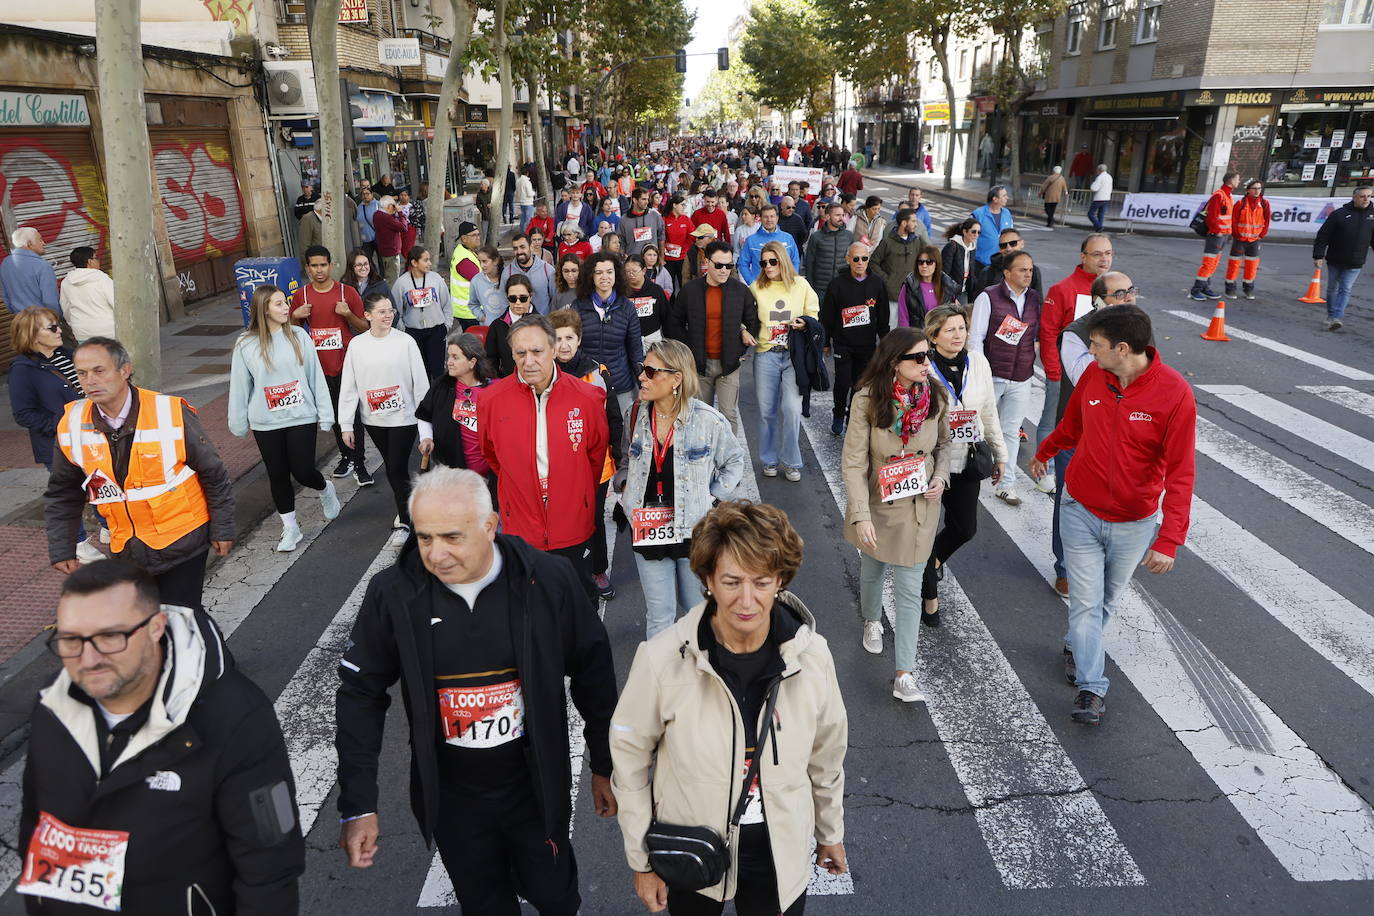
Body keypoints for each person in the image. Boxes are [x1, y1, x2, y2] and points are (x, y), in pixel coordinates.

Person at [335, 466, 618, 914]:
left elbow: (594, 672)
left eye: (452, 537)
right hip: (455, 800)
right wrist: (358, 802)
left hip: (535, 791)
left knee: (555, 897)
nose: (436, 554)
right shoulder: (393, 593)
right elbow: (360, 692)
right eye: (424, 538)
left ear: (490, 526)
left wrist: (603, 763)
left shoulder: (548, 579)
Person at [610, 500, 848, 916]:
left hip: (778, 848)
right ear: (707, 579)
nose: (747, 600)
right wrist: (642, 860)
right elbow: (629, 758)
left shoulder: (813, 658)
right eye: (732, 581)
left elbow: (826, 755)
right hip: (692, 847)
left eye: (761, 582)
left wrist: (830, 831)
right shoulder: (662, 659)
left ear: (780, 580)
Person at [23, 560, 303, 913]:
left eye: (110, 636)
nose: (88, 659)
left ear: (157, 626)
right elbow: (36, 822)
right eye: (70, 639)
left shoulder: (236, 718)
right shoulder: (53, 704)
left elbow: (269, 870)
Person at [1030, 305, 1196, 726]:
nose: (1089, 351)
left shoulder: (1174, 394)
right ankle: (1091, 688)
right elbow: (1072, 426)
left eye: (1096, 345)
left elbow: (1181, 472)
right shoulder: (1093, 376)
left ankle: (1076, 644)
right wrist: (1045, 452)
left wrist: (1169, 537)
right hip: (1079, 509)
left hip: (1133, 523)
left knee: (1104, 601)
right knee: (1085, 602)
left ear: (1123, 349)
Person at [45, 338, 235, 608]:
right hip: (126, 549)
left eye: (100, 371)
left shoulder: (169, 412)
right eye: (82, 373)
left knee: (181, 621)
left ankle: (207, 650)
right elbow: (63, 492)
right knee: (146, 626)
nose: (90, 381)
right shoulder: (72, 424)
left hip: (182, 541)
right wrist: (62, 547)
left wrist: (223, 529)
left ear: (125, 370)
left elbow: (214, 474)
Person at [844, 326, 950, 700]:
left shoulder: (936, 396)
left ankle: (904, 673)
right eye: (918, 358)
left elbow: (944, 445)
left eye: (928, 357)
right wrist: (861, 514)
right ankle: (872, 620)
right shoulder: (866, 401)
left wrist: (940, 476)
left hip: (921, 505)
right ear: (894, 363)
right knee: (872, 569)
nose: (926, 364)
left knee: (908, 588)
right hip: (878, 499)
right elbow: (854, 463)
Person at [615, 340, 744, 638]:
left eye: (650, 371)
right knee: (660, 616)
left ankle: (699, 673)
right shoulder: (634, 415)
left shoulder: (708, 421)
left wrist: (713, 498)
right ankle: (662, 679)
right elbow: (625, 458)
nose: (641, 377)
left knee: (697, 609)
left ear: (677, 378)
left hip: (693, 529)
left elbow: (734, 461)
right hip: (648, 530)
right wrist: (624, 486)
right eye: (641, 369)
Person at [478, 314, 610, 602]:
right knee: (532, 608)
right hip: (522, 526)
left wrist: (577, 493)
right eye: (520, 353)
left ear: (553, 350)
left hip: (572, 523)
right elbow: (491, 454)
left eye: (537, 351)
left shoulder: (588, 398)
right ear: (511, 354)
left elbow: (595, 455)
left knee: (577, 604)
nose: (529, 361)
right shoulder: (490, 400)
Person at [229, 285, 340, 552]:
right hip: (265, 422)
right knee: (277, 474)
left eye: (284, 302)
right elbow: (240, 386)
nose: (285, 307)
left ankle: (325, 489)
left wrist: (326, 414)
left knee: (302, 471)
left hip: (301, 415)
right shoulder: (246, 343)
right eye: (278, 304)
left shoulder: (299, 336)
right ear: (263, 308)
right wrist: (238, 422)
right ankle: (290, 528)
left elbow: (315, 376)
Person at [918, 306, 1006, 626]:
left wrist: (1001, 454)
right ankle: (930, 598)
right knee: (924, 532)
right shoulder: (922, 366)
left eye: (961, 328)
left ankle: (935, 561)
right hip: (929, 461)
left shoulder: (978, 362)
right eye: (950, 329)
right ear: (934, 335)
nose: (958, 335)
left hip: (967, 458)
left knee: (965, 528)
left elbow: (988, 412)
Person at [8, 308, 104, 563]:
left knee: (102, 485)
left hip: (93, 438)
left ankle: (110, 527)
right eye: (51, 327)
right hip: (59, 446)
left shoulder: (69, 355)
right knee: (72, 494)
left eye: (57, 325)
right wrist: (66, 425)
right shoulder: (23, 370)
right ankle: (78, 544)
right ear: (32, 335)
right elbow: (24, 414)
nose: (59, 330)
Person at [337, 293, 429, 530]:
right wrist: (346, 424)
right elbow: (349, 386)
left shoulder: (405, 341)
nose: (388, 315)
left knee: (395, 467)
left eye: (391, 310)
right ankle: (411, 504)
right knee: (392, 466)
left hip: (404, 417)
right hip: (374, 419)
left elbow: (421, 384)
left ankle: (405, 521)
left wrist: (426, 426)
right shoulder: (357, 345)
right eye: (382, 311)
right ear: (367, 315)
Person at [551, 308, 624, 601]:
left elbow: (614, 417)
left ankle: (597, 569)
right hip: (557, 464)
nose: (564, 344)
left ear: (579, 339)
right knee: (561, 518)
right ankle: (564, 571)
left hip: (595, 465)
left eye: (569, 337)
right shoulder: (543, 374)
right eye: (557, 339)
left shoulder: (597, 372)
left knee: (593, 518)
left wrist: (617, 455)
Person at [1039, 233, 1114, 508]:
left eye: (1108, 253)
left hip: (1102, 384)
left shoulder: (1115, 291)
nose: (1104, 258)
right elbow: (1048, 333)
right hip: (1065, 377)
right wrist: (1053, 371)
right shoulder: (1063, 289)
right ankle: (1045, 469)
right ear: (1083, 257)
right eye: (1097, 254)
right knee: (1054, 426)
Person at [290, 245, 372, 484]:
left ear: (331, 265)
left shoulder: (347, 293)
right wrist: (296, 317)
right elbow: (290, 332)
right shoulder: (302, 296)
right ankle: (346, 456)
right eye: (314, 266)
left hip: (346, 363)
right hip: (319, 367)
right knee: (334, 414)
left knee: (351, 414)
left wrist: (347, 315)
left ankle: (359, 462)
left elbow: (364, 328)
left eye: (323, 265)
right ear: (307, 268)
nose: (319, 270)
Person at [664, 240, 761, 435]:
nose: (724, 270)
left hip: (729, 365)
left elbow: (753, 323)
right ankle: (702, 461)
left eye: (729, 265)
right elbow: (673, 324)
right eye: (719, 265)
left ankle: (729, 461)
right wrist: (689, 351)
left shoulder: (740, 291)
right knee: (699, 416)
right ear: (707, 262)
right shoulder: (690, 291)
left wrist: (739, 347)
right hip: (699, 365)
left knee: (728, 415)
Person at [968, 249, 1040, 506]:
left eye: (1030, 269)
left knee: (1010, 429)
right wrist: (980, 372)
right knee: (979, 427)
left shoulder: (1034, 299)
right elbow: (976, 338)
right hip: (993, 374)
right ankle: (971, 474)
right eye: (1022, 269)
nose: (1028, 274)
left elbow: (1035, 336)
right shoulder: (988, 297)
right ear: (1007, 272)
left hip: (1021, 375)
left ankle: (1005, 484)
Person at [750, 240, 818, 481]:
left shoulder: (800, 285)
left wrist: (803, 323)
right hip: (766, 354)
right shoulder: (756, 286)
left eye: (772, 261)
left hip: (794, 356)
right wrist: (744, 331)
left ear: (783, 261)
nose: (767, 266)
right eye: (763, 262)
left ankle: (791, 462)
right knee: (767, 411)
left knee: (791, 409)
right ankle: (769, 459)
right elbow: (746, 315)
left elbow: (813, 314)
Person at [416, 331, 494, 506]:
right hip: (452, 475)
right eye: (448, 356)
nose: (449, 362)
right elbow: (424, 414)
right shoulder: (442, 386)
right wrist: (426, 437)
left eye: (455, 357)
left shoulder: (495, 389)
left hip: (490, 477)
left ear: (472, 362)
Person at [822, 243, 890, 436]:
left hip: (867, 345)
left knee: (860, 385)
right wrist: (826, 342)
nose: (860, 263)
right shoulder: (837, 284)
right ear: (848, 260)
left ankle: (852, 417)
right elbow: (827, 315)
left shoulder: (877, 284)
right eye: (856, 259)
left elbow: (883, 315)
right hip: (843, 343)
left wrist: (884, 341)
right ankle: (838, 414)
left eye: (864, 258)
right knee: (843, 382)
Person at [1313, 183, 1374, 330]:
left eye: (1369, 196)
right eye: (1362, 196)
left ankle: (1336, 317)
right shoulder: (1339, 214)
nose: (1366, 199)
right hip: (1335, 259)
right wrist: (1318, 255)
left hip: (1356, 262)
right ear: (1354, 197)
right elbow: (1323, 236)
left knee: (1345, 288)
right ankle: (1330, 314)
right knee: (1331, 289)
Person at [393, 244, 452, 379]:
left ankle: (439, 398)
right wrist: (404, 330)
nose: (429, 263)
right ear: (414, 262)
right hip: (413, 332)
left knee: (438, 371)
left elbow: (447, 304)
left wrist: (446, 325)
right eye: (425, 260)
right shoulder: (401, 283)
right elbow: (396, 310)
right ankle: (425, 400)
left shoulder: (435, 279)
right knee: (420, 372)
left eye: (429, 259)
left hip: (436, 330)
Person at [1187, 170, 1239, 301]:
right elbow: (1212, 216)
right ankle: (1196, 290)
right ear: (1231, 181)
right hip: (1216, 235)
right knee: (1208, 263)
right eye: (1237, 179)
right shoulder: (1219, 195)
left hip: (1223, 236)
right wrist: (1217, 230)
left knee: (1214, 263)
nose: (1239, 181)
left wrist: (1229, 232)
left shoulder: (1228, 196)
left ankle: (1204, 287)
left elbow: (1226, 217)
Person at [871, 207, 928, 322]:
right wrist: (887, 280)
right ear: (903, 223)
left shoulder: (917, 242)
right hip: (892, 295)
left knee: (909, 328)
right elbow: (873, 263)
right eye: (913, 221)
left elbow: (926, 262)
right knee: (891, 327)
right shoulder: (887, 242)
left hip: (913, 294)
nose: (916, 225)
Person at [1225, 179, 1271, 300]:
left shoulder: (1265, 204)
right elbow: (1234, 220)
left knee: (1252, 266)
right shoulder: (1240, 203)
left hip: (1254, 241)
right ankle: (1230, 289)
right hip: (1239, 240)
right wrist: (1236, 235)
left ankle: (1248, 289)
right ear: (1248, 190)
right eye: (1254, 188)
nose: (1257, 191)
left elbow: (1267, 221)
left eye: (1259, 188)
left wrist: (1261, 235)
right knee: (1234, 265)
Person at [58, 246, 116, 341]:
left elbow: (66, 309)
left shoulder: (66, 282)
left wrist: (75, 324)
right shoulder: (102, 279)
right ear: (89, 261)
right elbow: (116, 303)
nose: (98, 260)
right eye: (96, 258)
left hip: (81, 332)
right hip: (107, 332)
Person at [486, 274, 538, 377]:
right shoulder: (497, 326)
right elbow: (490, 360)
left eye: (523, 298)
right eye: (513, 298)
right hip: (507, 382)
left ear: (530, 296)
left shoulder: (542, 324)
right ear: (507, 298)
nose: (518, 303)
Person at [1, 227, 60, 314]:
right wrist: (55, 319)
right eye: (40, 240)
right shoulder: (42, 266)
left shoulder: (6, 263)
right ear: (29, 244)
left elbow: (5, 295)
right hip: (42, 320)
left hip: (21, 320)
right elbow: (50, 301)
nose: (43, 243)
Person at [804, 202, 854, 303]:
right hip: (820, 289)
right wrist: (811, 287)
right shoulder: (816, 237)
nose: (841, 218)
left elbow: (852, 262)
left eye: (842, 215)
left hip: (842, 287)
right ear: (827, 216)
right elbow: (809, 263)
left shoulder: (849, 236)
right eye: (837, 215)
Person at [895, 245, 957, 328]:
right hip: (918, 336)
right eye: (920, 262)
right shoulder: (909, 285)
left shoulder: (947, 285)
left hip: (941, 335)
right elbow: (903, 317)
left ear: (936, 264)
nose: (924, 266)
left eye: (929, 262)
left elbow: (953, 315)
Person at [739, 204, 801, 285]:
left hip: (784, 286)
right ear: (760, 218)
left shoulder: (788, 238)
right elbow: (742, 264)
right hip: (761, 288)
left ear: (777, 218)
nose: (769, 220)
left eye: (772, 216)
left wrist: (792, 279)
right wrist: (752, 283)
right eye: (765, 217)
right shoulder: (751, 240)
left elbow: (795, 261)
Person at [502, 233, 558, 313]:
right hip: (518, 323)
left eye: (522, 247)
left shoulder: (547, 270)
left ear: (531, 247)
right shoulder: (507, 272)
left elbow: (555, 299)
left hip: (542, 321)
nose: (519, 251)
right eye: (515, 248)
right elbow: (503, 301)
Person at [625, 254, 669, 346]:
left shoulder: (656, 290)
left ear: (644, 270)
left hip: (652, 337)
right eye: (627, 271)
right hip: (628, 338)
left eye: (634, 271)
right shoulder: (621, 292)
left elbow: (666, 316)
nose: (631, 274)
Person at [344, 247, 395, 316]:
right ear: (351, 267)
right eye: (359, 265)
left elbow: (393, 310)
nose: (363, 268)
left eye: (366, 264)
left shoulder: (381, 285)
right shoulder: (344, 285)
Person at [970, 186, 1012, 268]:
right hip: (981, 263)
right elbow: (968, 237)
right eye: (1004, 196)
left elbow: (1011, 235)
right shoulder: (978, 214)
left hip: (1002, 263)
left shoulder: (1007, 213)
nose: (1007, 198)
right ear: (995, 199)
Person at [371, 195, 409, 283]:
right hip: (391, 252)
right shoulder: (386, 218)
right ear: (388, 206)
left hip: (384, 250)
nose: (395, 207)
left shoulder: (376, 214)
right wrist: (400, 213)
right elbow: (404, 227)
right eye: (393, 205)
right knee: (392, 279)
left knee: (388, 276)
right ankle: (392, 296)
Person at [941, 219, 980, 302]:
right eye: (973, 232)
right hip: (950, 292)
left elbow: (970, 273)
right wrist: (951, 296)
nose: (976, 235)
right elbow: (944, 273)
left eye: (978, 232)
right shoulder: (952, 246)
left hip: (963, 292)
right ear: (965, 232)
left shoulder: (972, 248)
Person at [620, 187, 666, 256]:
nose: (647, 202)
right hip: (633, 260)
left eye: (647, 199)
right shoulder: (624, 219)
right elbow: (621, 241)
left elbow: (661, 237)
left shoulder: (655, 215)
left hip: (651, 260)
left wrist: (662, 257)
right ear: (635, 200)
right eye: (643, 199)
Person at [663, 194, 696, 289]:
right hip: (668, 259)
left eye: (685, 205)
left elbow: (693, 236)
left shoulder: (686, 219)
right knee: (669, 286)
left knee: (684, 285)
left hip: (683, 258)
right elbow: (660, 239)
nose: (684, 207)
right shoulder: (664, 219)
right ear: (674, 205)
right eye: (682, 205)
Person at [472, 244, 507, 324]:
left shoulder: (508, 276)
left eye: (485, 261)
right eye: (479, 261)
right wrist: (482, 318)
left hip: (508, 327)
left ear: (495, 261)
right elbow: (473, 304)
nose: (481, 265)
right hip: (488, 327)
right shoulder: (476, 280)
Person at [296, 199, 324, 268]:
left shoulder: (323, 218)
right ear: (321, 209)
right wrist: (307, 264)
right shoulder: (307, 219)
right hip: (315, 262)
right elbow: (304, 244)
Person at [356, 183, 379, 261]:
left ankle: (382, 273)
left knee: (381, 260)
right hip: (365, 239)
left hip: (379, 237)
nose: (365, 196)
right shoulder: (359, 207)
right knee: (367, 259)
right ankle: (373, 273)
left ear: (372, 194)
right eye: (363, 194)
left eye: (367, 193)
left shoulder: (378, 205)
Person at [1086, 165, 1112, 233]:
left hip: (1099, 198)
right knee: (1101, 214)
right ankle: (1099, 228)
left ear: (1099, 170)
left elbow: (1094, 188)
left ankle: (1098, 226)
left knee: (1090, 213)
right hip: (1106, 198)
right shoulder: (1109, 177)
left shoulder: (1100, 177)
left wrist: (1092, 184)